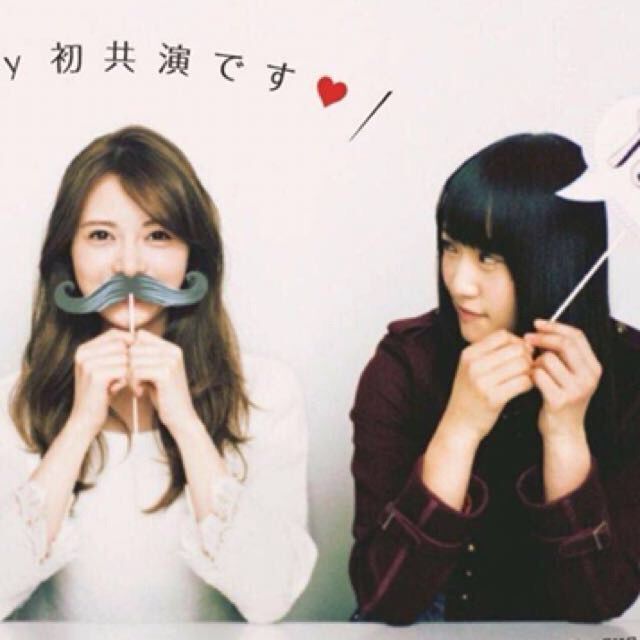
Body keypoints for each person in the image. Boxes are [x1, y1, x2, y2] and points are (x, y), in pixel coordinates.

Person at [0, 125, 317, 623]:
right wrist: (79, 425)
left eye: (158, 235)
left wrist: (185, 422)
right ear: (67, 254)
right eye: (101, 235)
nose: (129, 265)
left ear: (194, 255)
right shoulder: (12, 403)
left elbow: (270, 597)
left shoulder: (266, 392)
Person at [349, 133, 640, 624]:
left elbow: (596, 606)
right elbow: (384, 600)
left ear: (558, 256)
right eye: (450, 247)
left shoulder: (630, 373)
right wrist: (459, 429)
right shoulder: (404, 364)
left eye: (488, 257)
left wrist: (565, 433)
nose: (459, 282)